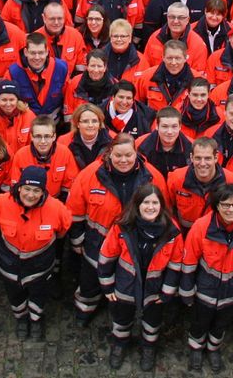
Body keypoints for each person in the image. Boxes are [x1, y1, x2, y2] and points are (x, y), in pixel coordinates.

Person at [68, 134, 167, 325]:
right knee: (90, 282)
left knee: (127, 282)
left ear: (136, 153)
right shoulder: (90, 175)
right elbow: (75, 210)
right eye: (118, 155)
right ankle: (85, 310)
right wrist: (77, 239)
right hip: (98, 243)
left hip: (134, 247)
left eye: (128, 155)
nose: (123, 160)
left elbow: (163, 212)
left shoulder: (153, 177)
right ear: (109, 153)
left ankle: (124, 313)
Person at [180, 183, 233, 372]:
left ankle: (213, 348)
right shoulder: (201, 227)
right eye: (225, 205)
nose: (231, 209)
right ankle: (196, 347)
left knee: (222, 323)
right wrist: (186, 290)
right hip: (205, 289)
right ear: (217, 206)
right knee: (200, 321)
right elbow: (188, 261)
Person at [98, 184, 184, 370]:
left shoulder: (172, 231)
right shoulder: (122, 226)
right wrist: (107, 285)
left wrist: (167, 291)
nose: (150, 207)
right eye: (146, 202)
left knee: (152, 320)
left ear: (162, 205)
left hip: (155, 287)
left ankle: (149, 347)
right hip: (125, 284)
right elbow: (107, 256)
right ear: (137, 205)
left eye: (155, 202)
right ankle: (120, 344)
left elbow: (176, 264)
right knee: (122, 317)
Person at [0, 165, 72, 339]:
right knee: (14, 294)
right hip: (9, 264)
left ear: (43, 191)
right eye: (26, 189)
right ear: (19, 187)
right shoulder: (1, 203)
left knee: (39, 294)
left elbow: (62, 231)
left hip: (40, 267)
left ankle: (36, 319)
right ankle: (21, 318)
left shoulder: (57, 209)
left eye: (36, 190)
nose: (30, 195)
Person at [164, 137, 233, 232]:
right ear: (191, 157)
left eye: (207, 158)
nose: (202, 163)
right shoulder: (176, 178)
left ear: (216, 157)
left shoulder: (231, 180)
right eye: (198, 158)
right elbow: (169, 208)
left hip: (218, 233)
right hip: (186, 230)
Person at [135, 106, 192, 181]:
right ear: (157, 126)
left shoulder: (191, 146)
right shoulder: (140, 144)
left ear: (180, 127)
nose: (169, 132)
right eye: (165, 126)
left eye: (174, 126)